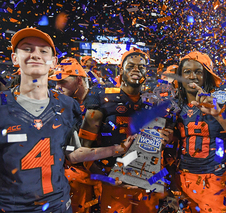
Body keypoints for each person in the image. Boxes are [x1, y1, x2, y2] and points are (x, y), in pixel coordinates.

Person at [79, 47, 173, 213]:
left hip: (146, 180)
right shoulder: (102, 97)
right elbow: (84, 149)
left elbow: (162, 147)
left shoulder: (154, 101)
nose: (136, 70)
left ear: (147, 72)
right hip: (114, 180)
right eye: (131, 66)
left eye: (141, 66)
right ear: (121, 70)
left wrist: (168, 139)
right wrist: (104, 177)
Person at [0, 27, 79, 212]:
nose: (35, 54)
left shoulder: (67, 105)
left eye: (43, 51)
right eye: (27, 49)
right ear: (14, 58)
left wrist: (117, 149)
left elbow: (73, 152)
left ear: (53, 61)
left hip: (58, 206)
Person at [174, 51, 226, 212]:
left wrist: (220, 115)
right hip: (181, 180)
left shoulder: (223, 99)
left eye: (198, 71)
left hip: (213, 182)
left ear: (207, 75)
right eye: (187, 72)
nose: (192, 76)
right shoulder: (174, 103)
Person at [49, 58, 102, 213]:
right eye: (56, 82)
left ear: (79, 80)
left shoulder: (100, 102)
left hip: (99, 178)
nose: (58, 87)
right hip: (72, 178)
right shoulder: (60, 104)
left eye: (63, 82)